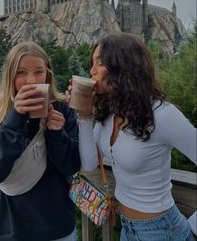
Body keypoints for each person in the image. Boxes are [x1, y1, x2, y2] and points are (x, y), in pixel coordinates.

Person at [74, 33, 196, 240]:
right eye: (92, 63)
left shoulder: (163, 115)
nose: (91, 71)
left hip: (163, 231)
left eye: (100, 63)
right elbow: (88, 163)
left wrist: (192, 227)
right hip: (127, 228)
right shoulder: (110, 113)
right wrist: (84, 117)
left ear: (122, 66)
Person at [0, 41, 80, 241]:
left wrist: (56, 134)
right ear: (10, 75)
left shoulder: (61, 108)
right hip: (11, 228)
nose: (31, 81)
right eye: (21, 73)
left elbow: (72, 165)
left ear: (48, 74)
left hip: (57, 227)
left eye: (38, 72)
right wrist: (15, 118)